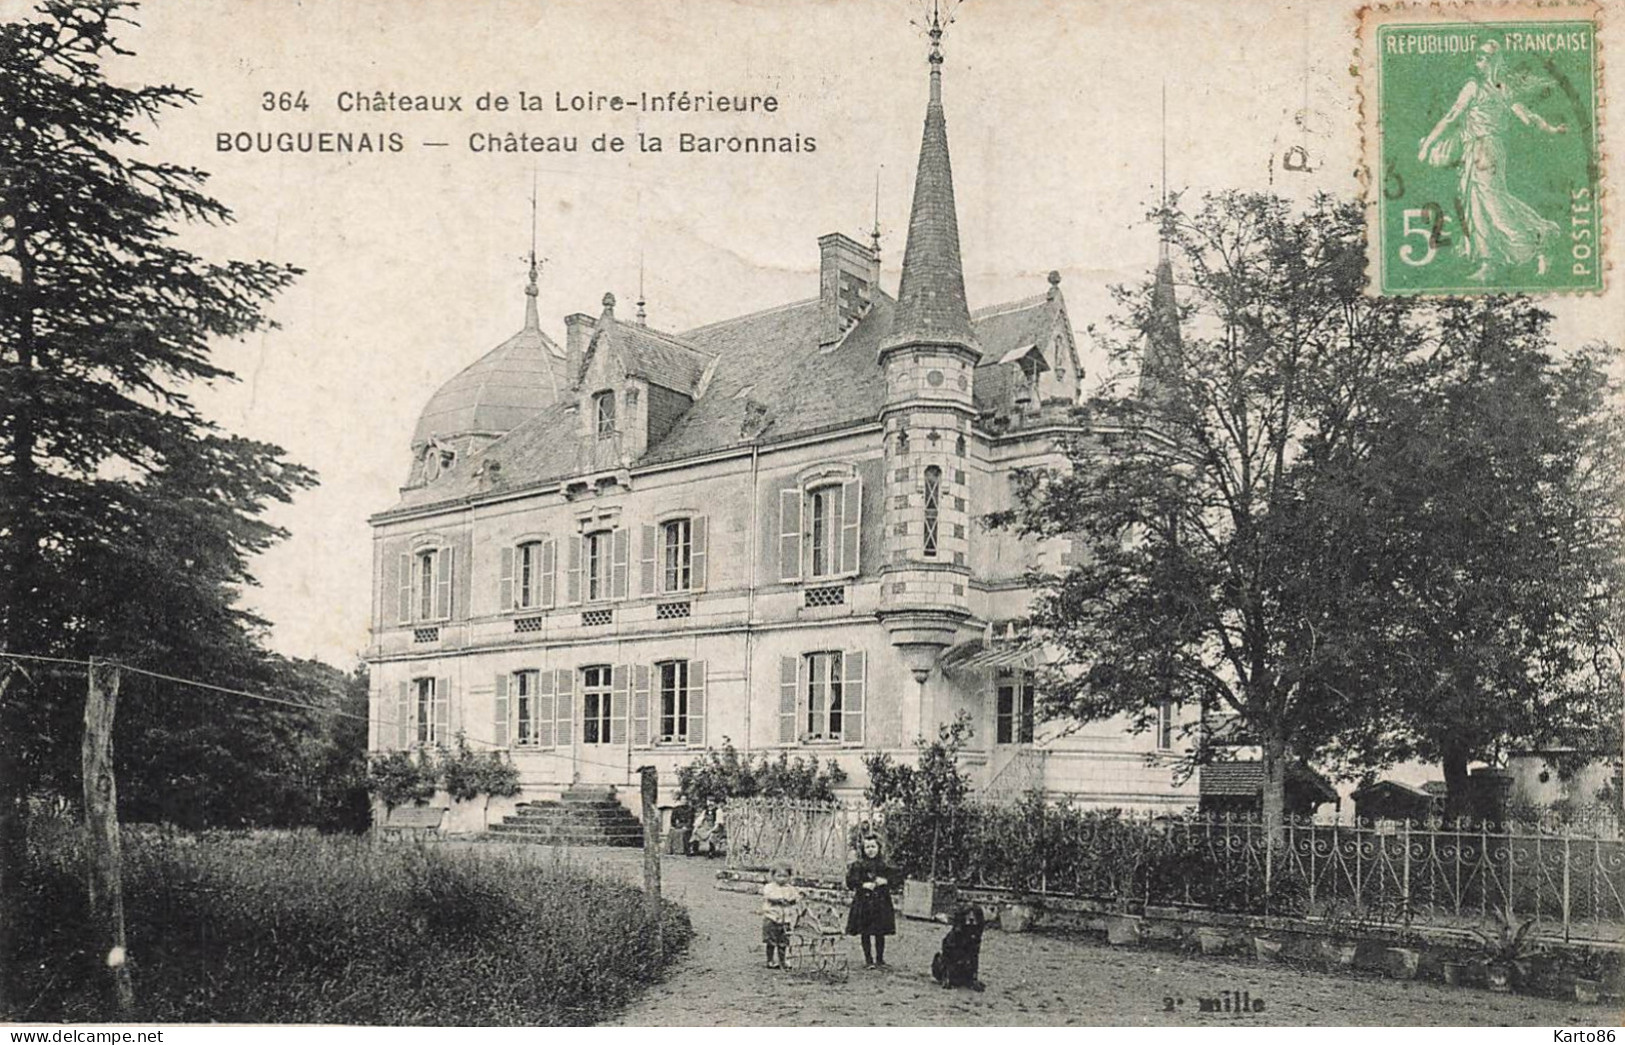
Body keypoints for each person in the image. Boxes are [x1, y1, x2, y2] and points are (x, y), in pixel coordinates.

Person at [1417, 39, 1567, 282]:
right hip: (1479, 148)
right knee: (1479, 201)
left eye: (1486, 55)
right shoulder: (1492, 87)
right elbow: (1453, 116)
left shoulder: (1481, 87)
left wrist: (1427, 145)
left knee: (1490, 200)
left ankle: (1539, 238)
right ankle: (1491, 261)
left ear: (1495, 61)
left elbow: (1525, 116)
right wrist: (1551, 129)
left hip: (1485, 148)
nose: (1480, 58)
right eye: (1479, 54)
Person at [845, 834, 897, 969]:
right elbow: (850, 882)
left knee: (880, 932)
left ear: (879, 848)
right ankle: (868, 960)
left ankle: (880, 959)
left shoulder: (884, 865)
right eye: (867, 847)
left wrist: (885, 881)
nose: (870, 850)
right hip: (864, 903)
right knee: (865, 931)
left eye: (873, 846)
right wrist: (863, 885)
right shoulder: (858, 865)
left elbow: (896, 879)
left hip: (881, 902)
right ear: (863, 849)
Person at [760, 862, 801, 969]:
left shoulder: (791, 889)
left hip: (785, 920)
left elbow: (796, 898)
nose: (782, 879)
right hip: (772, 918)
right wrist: (778, 900)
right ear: (773, 876)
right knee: (771, 941)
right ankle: (770, 960)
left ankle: (783, 961)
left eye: (785, 876)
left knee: (783, 942)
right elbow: (768, 896)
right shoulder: (769, 887)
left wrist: (792, 900)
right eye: (779, 876)